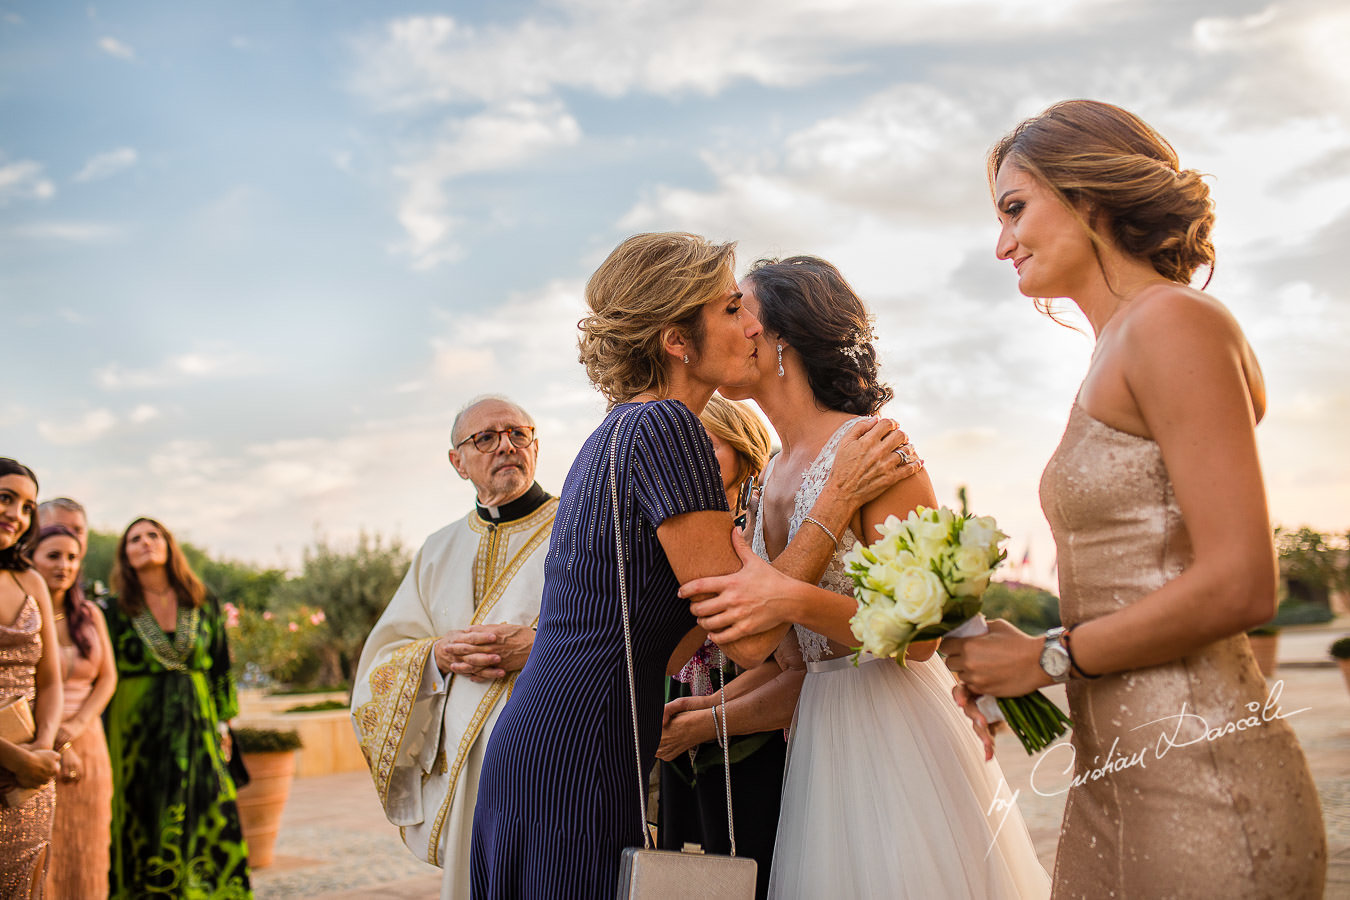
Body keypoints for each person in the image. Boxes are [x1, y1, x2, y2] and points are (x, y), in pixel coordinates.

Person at [939, 99, 1326, 898]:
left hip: (1204, 785)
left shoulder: (1173, 323)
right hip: (1111, 780)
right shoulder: (1114, 349)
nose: (1002, 243)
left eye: (1015, 208)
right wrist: (1019, 654)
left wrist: (1047, 656)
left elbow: (1242, 581)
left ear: (1089, 194)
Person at [470, 232, 917, 898]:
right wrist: (839, 497)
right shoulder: (670, 429)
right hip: (582, 749)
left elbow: (677, 639)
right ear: (678, 341)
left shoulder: (621, 429)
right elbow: (751, 633)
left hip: (553, 737)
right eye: (730, 309)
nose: (750, 324)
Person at [678, 257, 1049, 898]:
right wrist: (709, 710)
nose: (726, 323)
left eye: (738, 309)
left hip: (901, 727)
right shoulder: (764, 480)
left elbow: (924, 633)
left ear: (781, 336)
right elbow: (792, 663)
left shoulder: (875, 451)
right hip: (821, 739)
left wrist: (787, 593)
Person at [352, 395, 558, 900]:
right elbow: (383, 658)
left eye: (518, 433)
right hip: (467, 768)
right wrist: (435, 655)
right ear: (457, 461)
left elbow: (619, 629)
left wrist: (537, 648)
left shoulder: (578, 528)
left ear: (536, 445)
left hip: (552, 750)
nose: (506, 446)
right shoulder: (437, 549)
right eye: (485, 438)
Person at [657, 395, 789, 900]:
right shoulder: (671, 527)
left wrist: (707, 716)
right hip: (680, 709)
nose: (689, 461)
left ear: (743, 450)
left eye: (705, 447)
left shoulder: (759, 533)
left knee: (752, 865)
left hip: (754, 732)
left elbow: (780, 658)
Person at [105, 517, 251, 898]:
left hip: (199, 723)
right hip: (137, 729)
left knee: (210, 805)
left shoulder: (202, 599)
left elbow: (220, 665)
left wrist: (224, 724)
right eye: (134, 539)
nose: (145, 542)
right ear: (125, 555)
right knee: (145, 811)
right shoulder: (113, 609)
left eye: (153, 535)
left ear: (169, 546)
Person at [32, 524, 116, 899]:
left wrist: (76, 728)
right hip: (34, 745)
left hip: (90, 743)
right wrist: (55, 740)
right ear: (30, 557)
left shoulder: (90, 615)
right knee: (40, 852)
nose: (64, 565)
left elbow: (108, 679)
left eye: (72, 557)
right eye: (53, 556)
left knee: (89, 848)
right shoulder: (19, 612)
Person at [0, 459, 63, 898]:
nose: (17, 515)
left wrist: (41, 750)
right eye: (6, 498)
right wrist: (13, 759)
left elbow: (52, 681)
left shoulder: (31, 580)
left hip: (30, 782)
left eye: (27, 507)